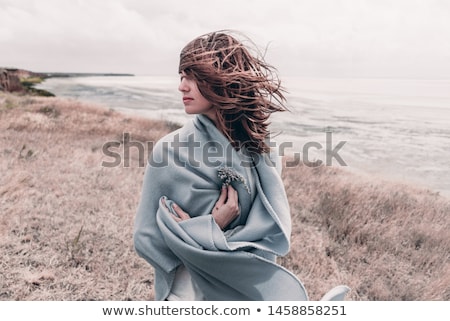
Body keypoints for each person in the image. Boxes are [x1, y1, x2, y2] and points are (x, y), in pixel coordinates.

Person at [133, 30, 348, 301]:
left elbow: (269, 228)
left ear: (220, 78)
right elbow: (146, 238)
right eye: (181, 76)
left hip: (249, 286)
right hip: (190, 288)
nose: (182, 86)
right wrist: (211, 227)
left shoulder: (260, 149)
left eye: (193, 76)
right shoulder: (170, 150)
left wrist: (210, 235)